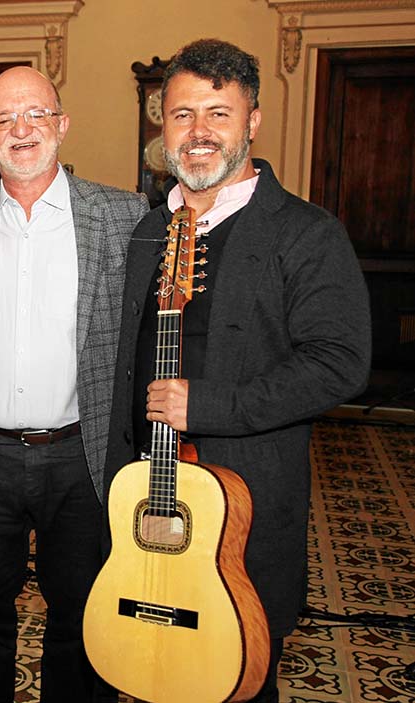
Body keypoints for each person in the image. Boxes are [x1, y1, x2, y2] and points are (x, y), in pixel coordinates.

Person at [104, 39, 371, 702]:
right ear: (160, 126)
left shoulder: (305, 233)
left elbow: (339, 364)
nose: (197, 133)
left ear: (251, 121)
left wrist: (209, 405)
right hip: (143, 505)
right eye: (181, 114)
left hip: (242, 518)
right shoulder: (146, 231)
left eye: (218, 114)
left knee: (237, 684)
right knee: (141, 669)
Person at [0, 66, 148, 703]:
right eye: (4, 118)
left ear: (62, 124)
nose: (20, 129)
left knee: (84, 619)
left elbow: (150, 334)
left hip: (82, 457)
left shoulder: (122, 215)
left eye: (35, 114)